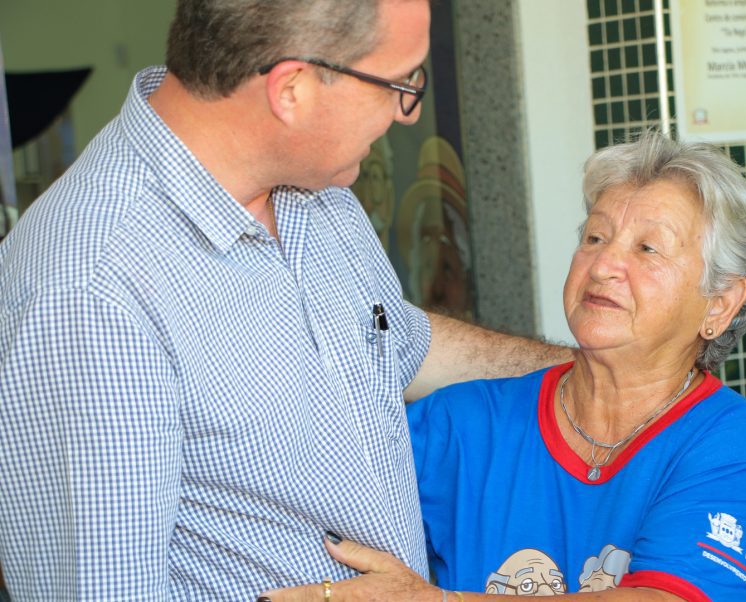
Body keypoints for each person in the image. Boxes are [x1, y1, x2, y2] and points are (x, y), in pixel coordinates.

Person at [0, 1, 569, 599]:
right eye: (400, 83)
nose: (411, 112)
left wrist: (606, 369)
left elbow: (398, 343)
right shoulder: (89, 289)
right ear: (291, 89)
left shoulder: (315, 190)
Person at [261, 129, 746, 601]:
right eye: (595, 237)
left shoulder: (729, 446)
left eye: (648, 249)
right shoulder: (464, 423)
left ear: (719, 303)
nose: (604, 265)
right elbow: (305, 497)